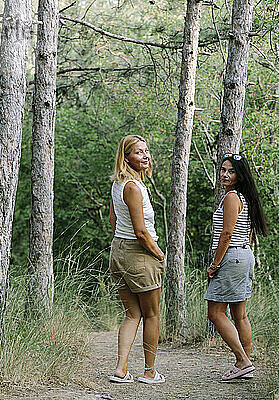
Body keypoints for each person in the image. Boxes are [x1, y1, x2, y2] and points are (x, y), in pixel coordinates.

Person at [108, 135, 166, 384]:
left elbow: (113, 221)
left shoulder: (117, 185)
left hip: (119, 250)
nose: (145, 155)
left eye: (146, 150)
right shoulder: (132, 187)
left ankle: (121, 369)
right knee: (151, 314)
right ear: (126, 157)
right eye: (138, 152)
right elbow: (141, 232)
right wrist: (158, 254)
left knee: (132, 314)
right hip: (138, 253)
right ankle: (149, 372)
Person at [205, 153, 268, 381]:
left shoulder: (232, 197)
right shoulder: (246, 197)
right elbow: (247, 234)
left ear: (239, 175)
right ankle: (245, 364)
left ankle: (242, 361)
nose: (225, 174)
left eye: (230, 171)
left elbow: (227, 234)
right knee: (239, 315)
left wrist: (215, 264)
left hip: (231, 256)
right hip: (244, 254)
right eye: (223, 170)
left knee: (215, 313)